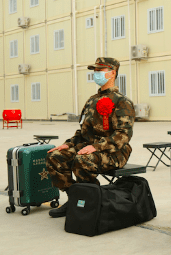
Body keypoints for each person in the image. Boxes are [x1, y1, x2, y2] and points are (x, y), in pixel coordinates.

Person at [46, 58, 135, 218]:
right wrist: (68, 144)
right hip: (89, 148)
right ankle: (76, 198)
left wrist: (96, 147)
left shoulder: (122, 102)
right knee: (55, 157)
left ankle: (94, 200)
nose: (96, 74)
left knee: (82, 161)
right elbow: (83, 133)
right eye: (95, 71)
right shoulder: (92, 101)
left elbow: (123, 135)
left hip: (115, 151)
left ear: (112, 73)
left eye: (100, 70)